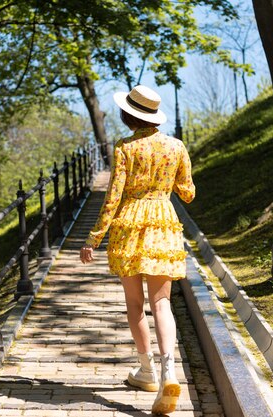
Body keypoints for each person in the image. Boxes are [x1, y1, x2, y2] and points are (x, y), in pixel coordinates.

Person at [79, 85, 195, 415]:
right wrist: (169, 177)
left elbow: (113, 196)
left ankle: (146, 370)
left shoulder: (125, 148)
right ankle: (169, 371)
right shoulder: (176, 146)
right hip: (162, 223)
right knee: (162, 303)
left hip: (129, 223)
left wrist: (93, 239)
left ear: (128, 115)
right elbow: (187, 193)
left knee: (134, 304)